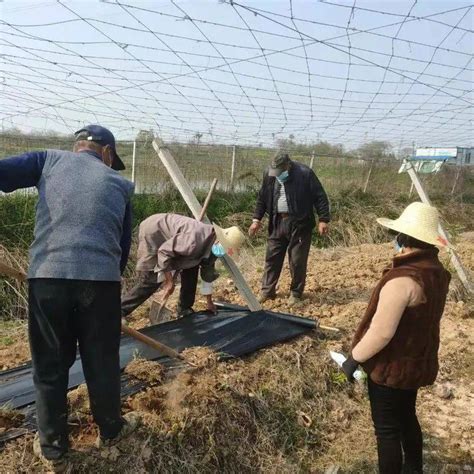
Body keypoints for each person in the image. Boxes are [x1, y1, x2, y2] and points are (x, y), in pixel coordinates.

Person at [0, 125, 138, 470]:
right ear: (106, 152)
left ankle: (53, 448)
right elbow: (122, 247)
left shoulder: (46, 161)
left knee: (50, 364)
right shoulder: (120, 184)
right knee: (102, 360)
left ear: (77, 147)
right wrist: (104, 275)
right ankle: (111, 430)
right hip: (101, 283)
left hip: (49, 278)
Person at [342, 202, 451, 474]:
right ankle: (414, 468)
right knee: (407, 418)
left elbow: (381, 332)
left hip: (391, 368)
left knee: (387, 430)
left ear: (402, 239)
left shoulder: (402, 280)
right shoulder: (437, 273)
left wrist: (353, 359)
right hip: (416, 362)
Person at [121, 213, 245, 320]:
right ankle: (119, 311)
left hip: (175, 241)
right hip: (154, 231)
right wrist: (169, 281)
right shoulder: (194, 240)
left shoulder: (214, 248)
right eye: (225, 248)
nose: (223, 252)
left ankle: (184, 308)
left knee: (191, 267)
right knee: (150, 280)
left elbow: (207, 275)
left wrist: (209, 302)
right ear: (219, 241)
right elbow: (164, 252)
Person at [248, 152, 330, 306]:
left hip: (300, 223)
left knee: (297, 260)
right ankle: (267, 291)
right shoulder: (269, 173)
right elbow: (262, 198)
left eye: (279, 171)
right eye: (274, 171)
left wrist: (323, 219)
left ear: (288, 165)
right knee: (272, 258)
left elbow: (320, 196)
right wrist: (256, 220)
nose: (276, 174)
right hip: (277, 221)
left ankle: (296, 293)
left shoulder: (305, 173)